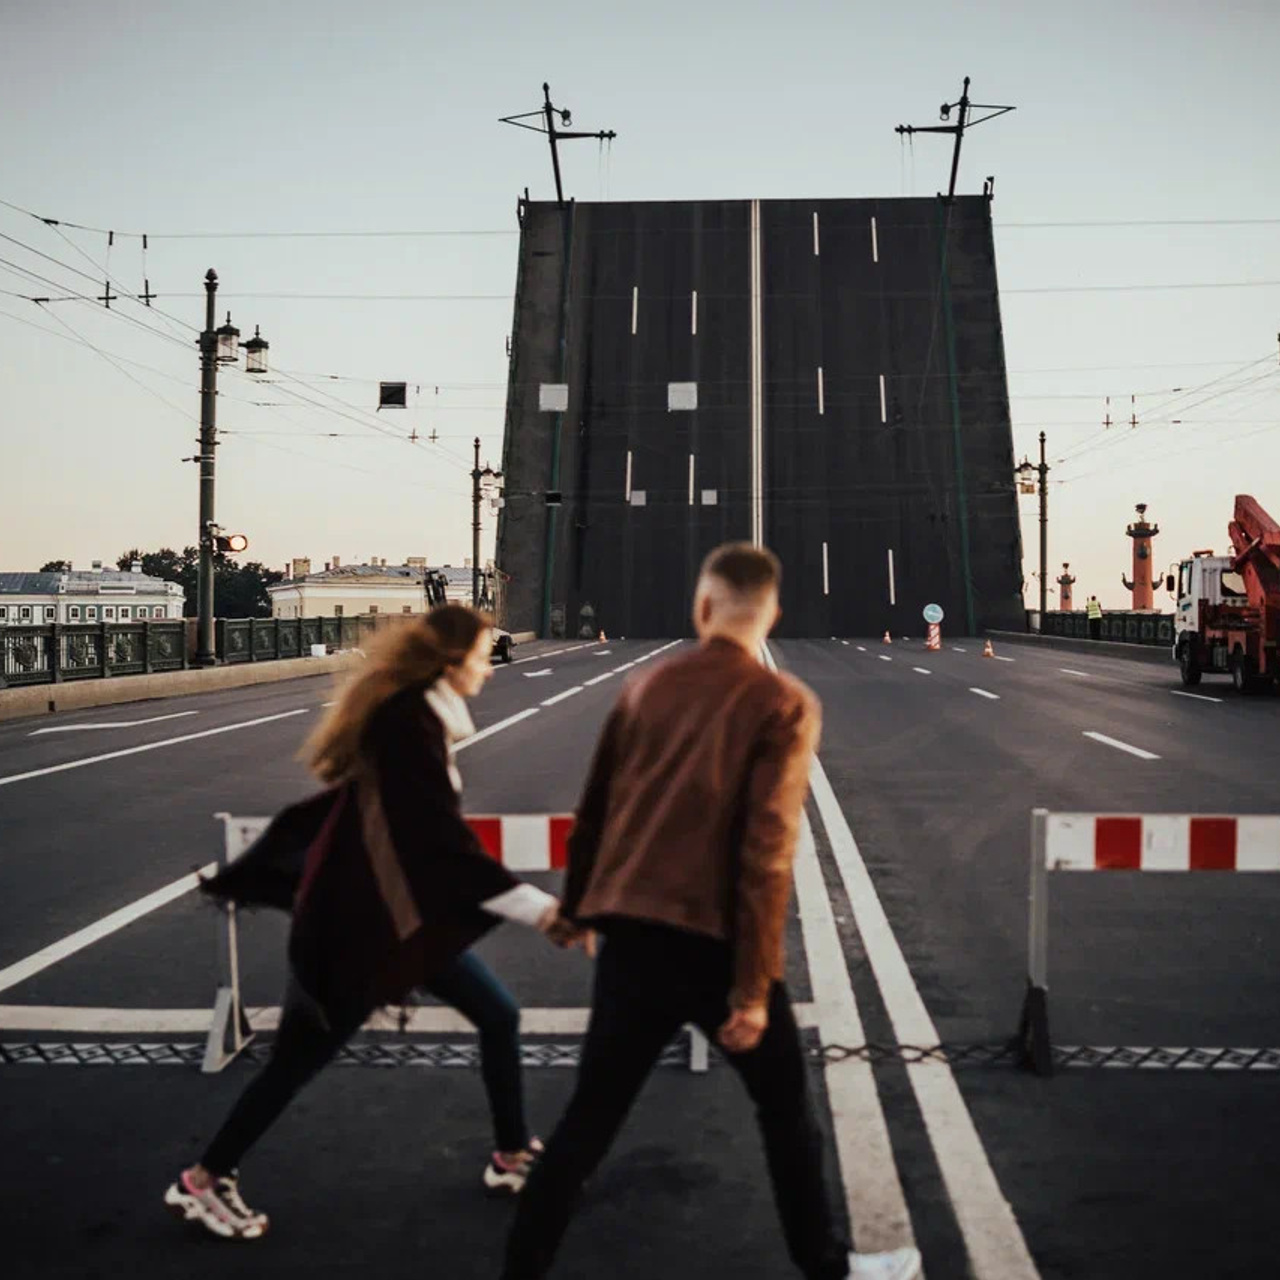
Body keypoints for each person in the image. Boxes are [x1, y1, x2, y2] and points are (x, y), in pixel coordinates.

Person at [503, 544, 922, 1280]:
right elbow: (765, 852)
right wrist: (754, 989)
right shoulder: (783, 702)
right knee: (787, 1119)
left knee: (585, 1126)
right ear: (771, 615)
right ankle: (826, 1268)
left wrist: (577, 911)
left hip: (630, 938)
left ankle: (519, 1271)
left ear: (702, 608)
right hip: (716, 945)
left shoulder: (644, 687)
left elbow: (593, 812)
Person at [165, 605, 571, 1241]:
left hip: (396, 921)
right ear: (450, 661)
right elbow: (441, 842)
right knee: (297, 1062)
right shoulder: (411, 725)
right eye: (481, 655)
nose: (489, 668)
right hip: (361, 931)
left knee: (498, 1014)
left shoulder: (416, 719)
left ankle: (512, 1154)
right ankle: (204, 1180)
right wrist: (541, 909)